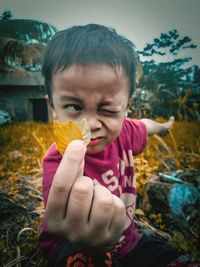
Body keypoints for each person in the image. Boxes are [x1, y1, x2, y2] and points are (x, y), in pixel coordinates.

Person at [39, 24, 199, 267]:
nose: (91, 124)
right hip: (74, 244)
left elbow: (146, 125)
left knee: (180, 259)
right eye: (73, 107)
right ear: (52, 107)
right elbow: (66, 226)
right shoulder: (57, 161)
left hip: (131, 240)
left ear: (126, 108)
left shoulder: (126, 132)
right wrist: (84, 243)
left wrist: (165, 126)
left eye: (108, 110)